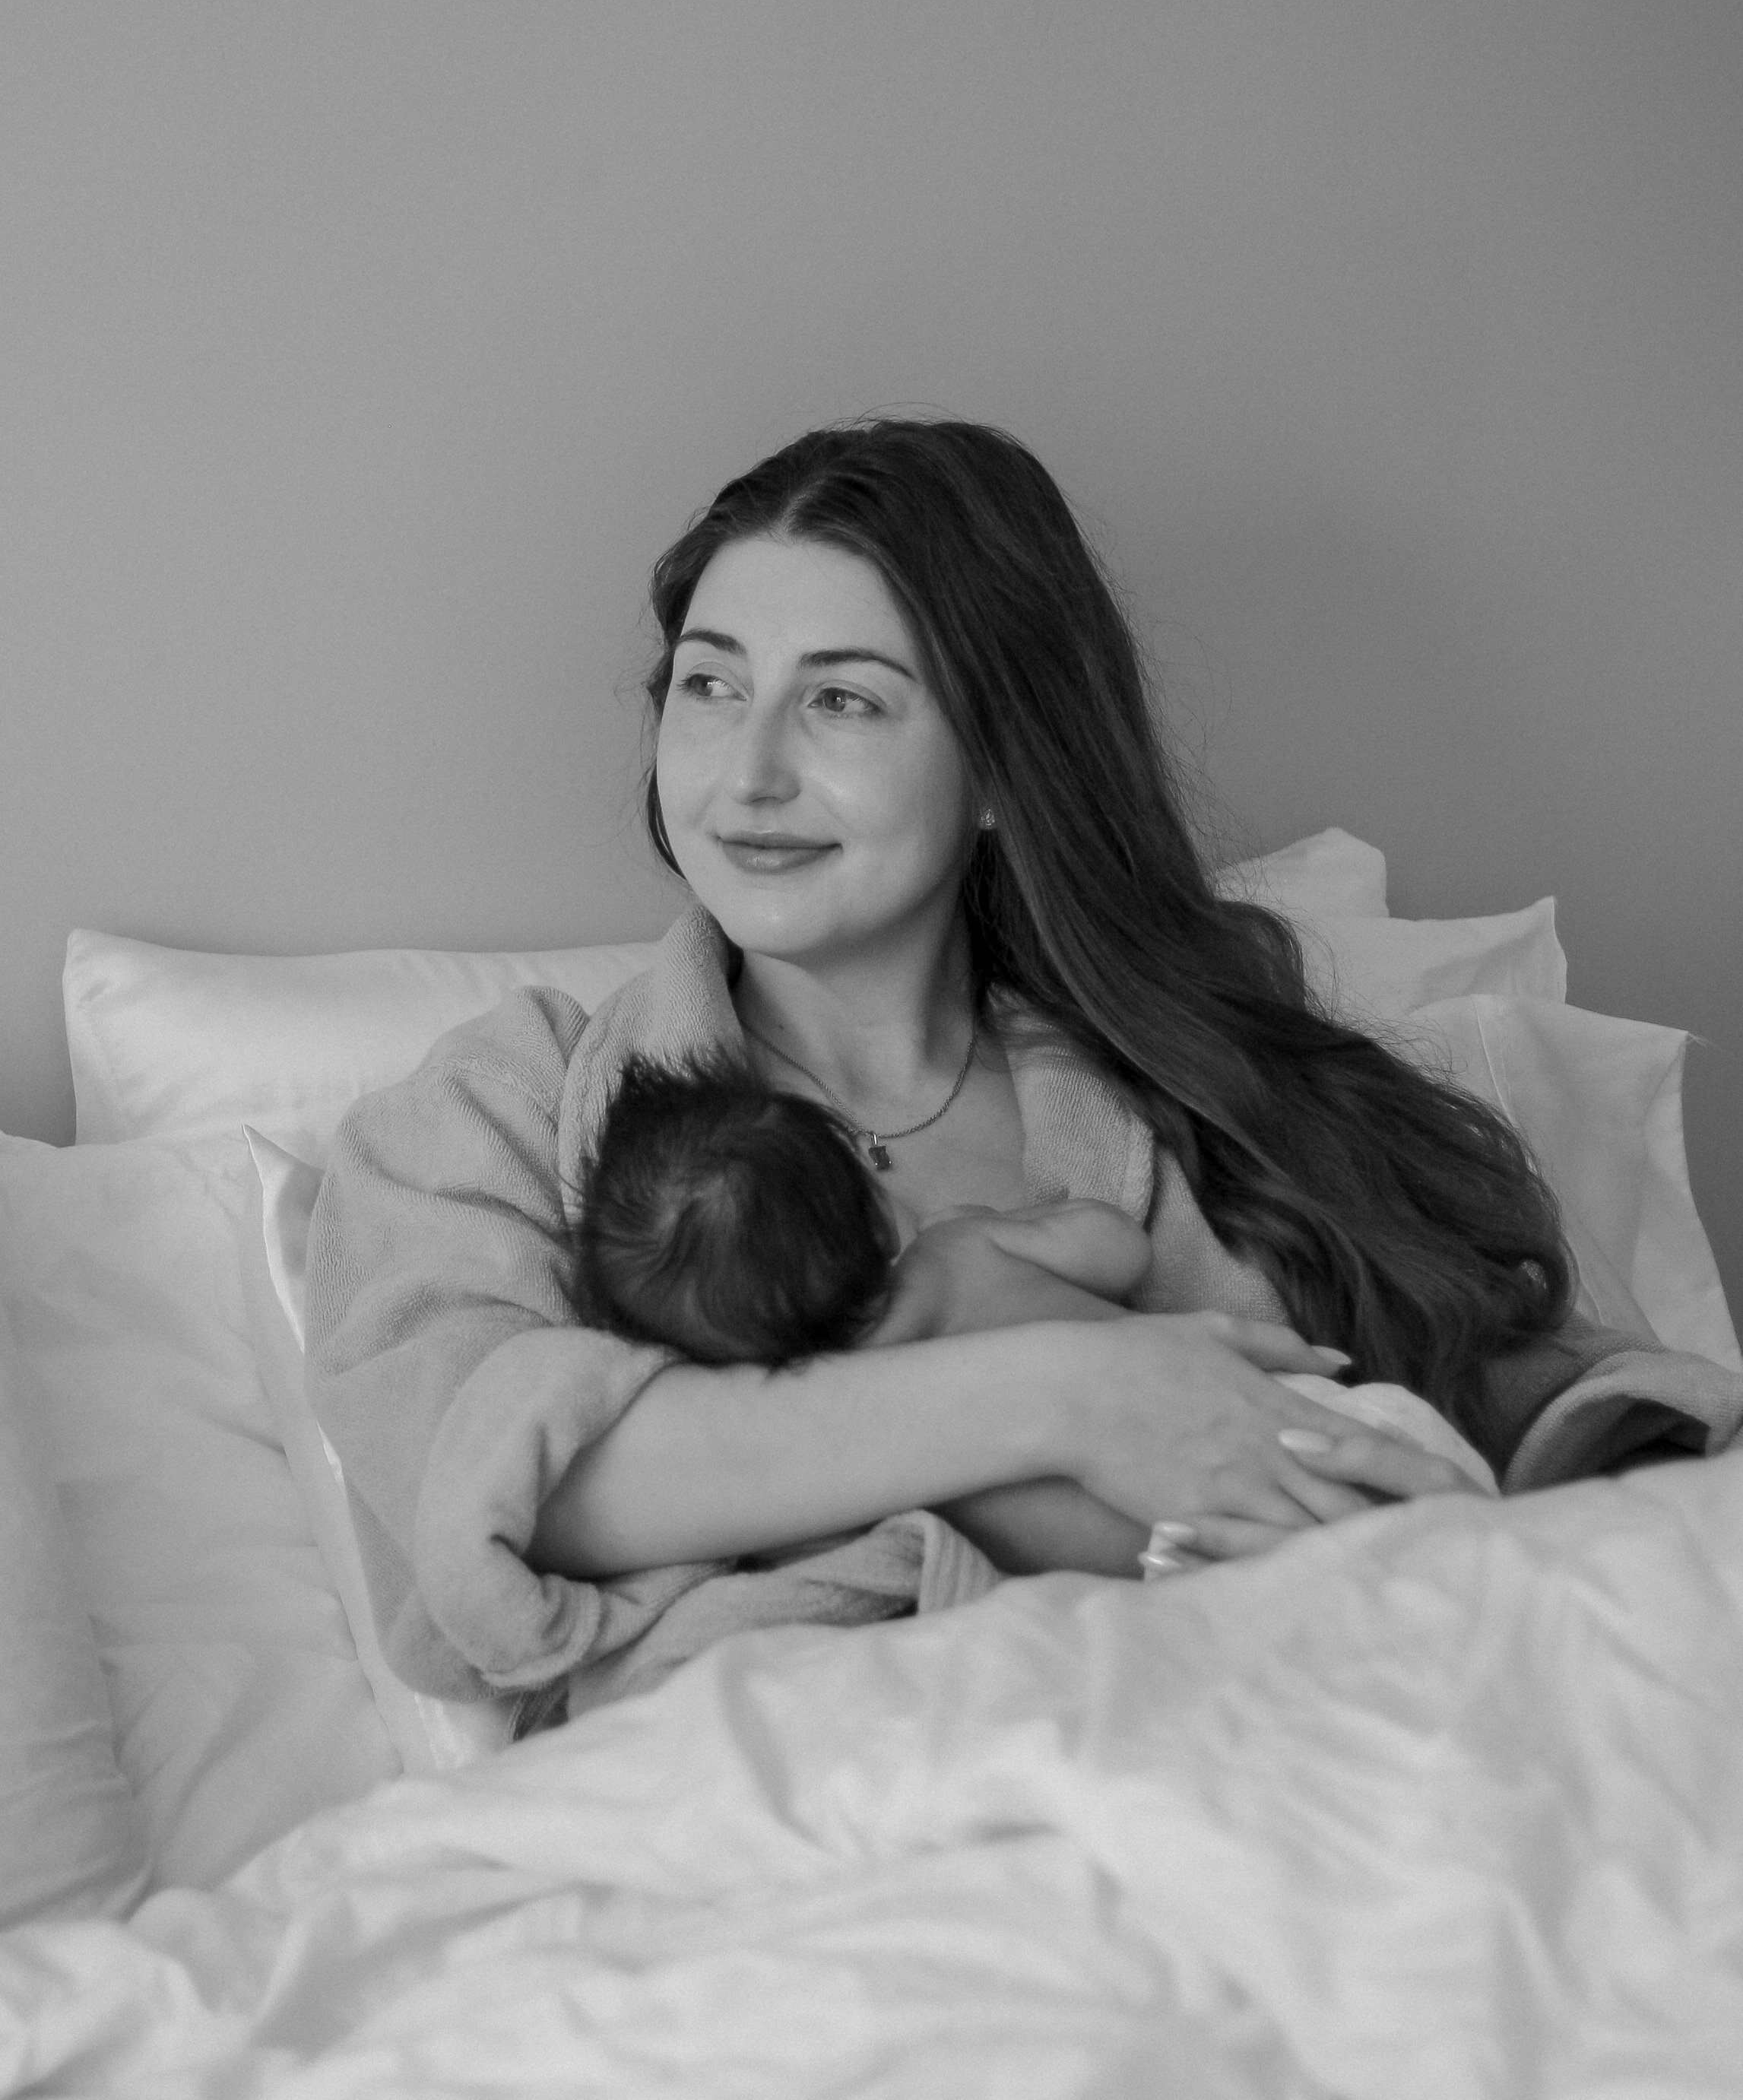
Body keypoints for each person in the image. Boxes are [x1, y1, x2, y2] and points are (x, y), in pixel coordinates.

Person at [304, 417, 1743, 1715]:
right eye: (706, 685)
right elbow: (498, 1491)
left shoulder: (1203, 1072)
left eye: (843, 700)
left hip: (1299, 1753)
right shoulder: (499, 1112)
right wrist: (1074, 1394)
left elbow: (1558, 1401)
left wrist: (1514, 1510)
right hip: (808, 1832)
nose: (744, 773)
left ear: (998, 767)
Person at [574, 1048, 1499, 1499]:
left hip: (1154, 1577)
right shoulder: (959, 1248)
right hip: (1306, 1429)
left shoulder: (827, 1425)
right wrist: (1008, 1219)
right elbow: (1117, 1250)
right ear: (874, 1205)